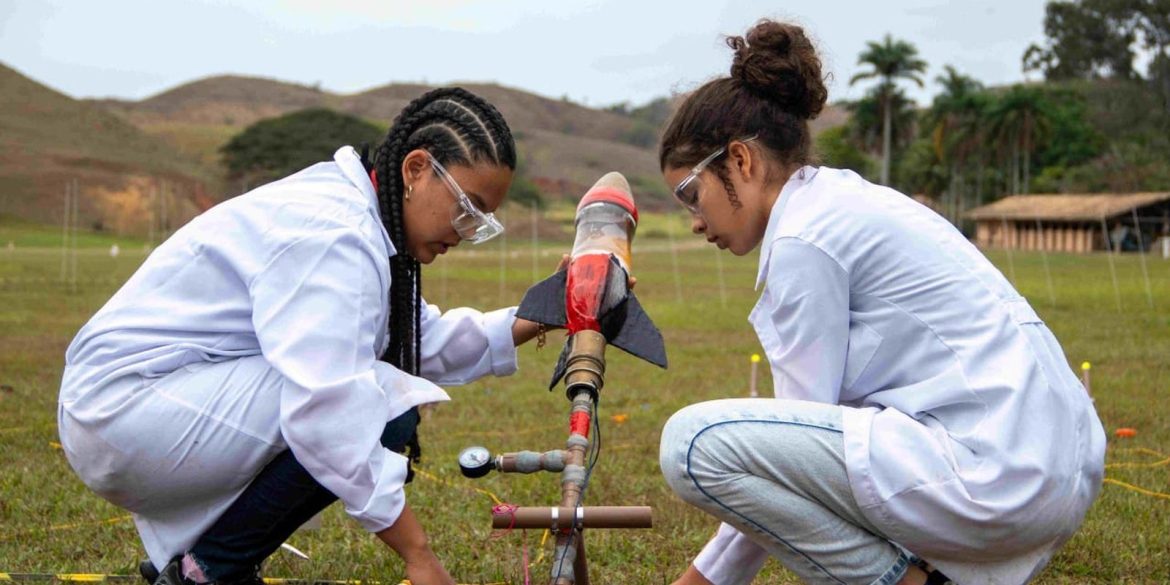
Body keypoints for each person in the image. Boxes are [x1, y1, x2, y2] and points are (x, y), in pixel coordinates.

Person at [655, 20, 1105, 585]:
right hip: (1057, 472)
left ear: (740, 161)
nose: (695, 221)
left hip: (998, 476)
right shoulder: (846, 201)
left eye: (690, 195)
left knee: (693, 444)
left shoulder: (804, 236)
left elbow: (787, 455)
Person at [58, 87, 550, 585]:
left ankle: (208, 563)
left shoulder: (359, 221)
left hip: (150, 402)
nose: (467, 231)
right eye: (467, 208)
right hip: (125, 410)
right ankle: (205, 572)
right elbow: (327, 411)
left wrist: (549, 313)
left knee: (378, 394)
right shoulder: (335, 234)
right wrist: (418, 555)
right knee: (376, 402)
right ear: (416, 169)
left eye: (481, 222)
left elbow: (423, 339)